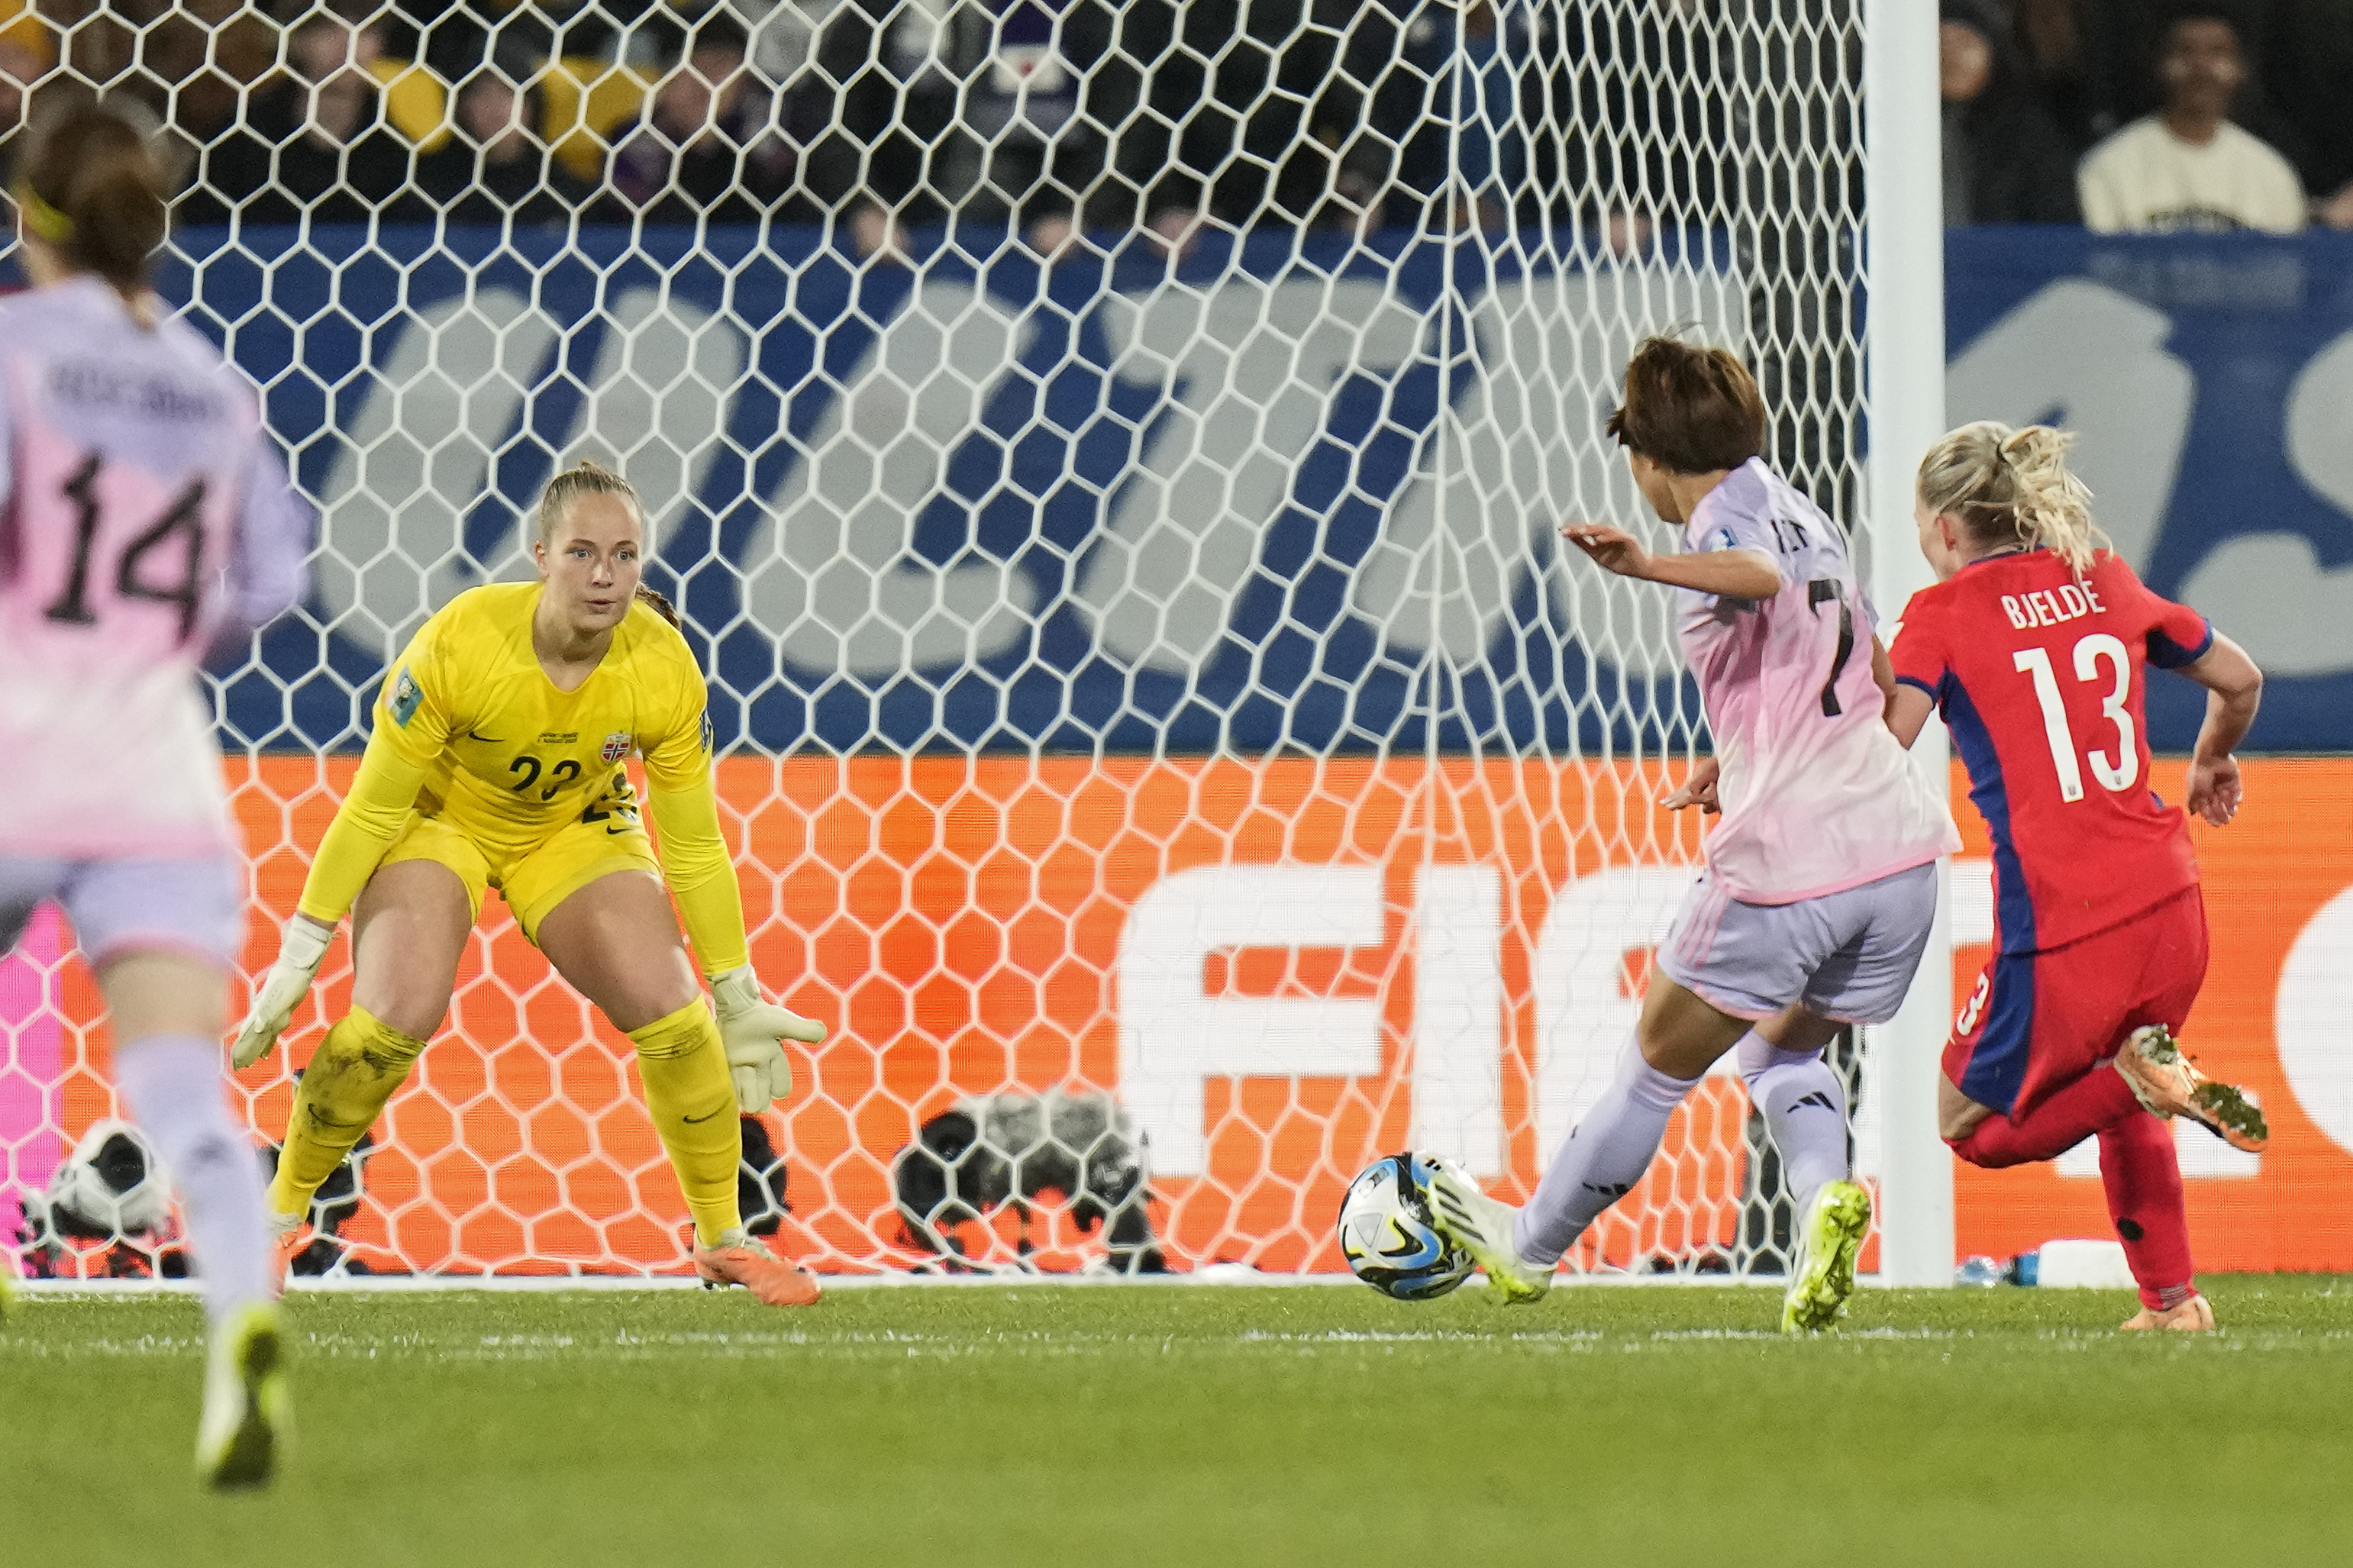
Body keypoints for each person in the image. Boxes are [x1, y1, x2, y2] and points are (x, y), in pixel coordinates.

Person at [1425, 338, 1961, 1333]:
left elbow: (1752, 576)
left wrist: (1645, 563)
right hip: (1899, 856)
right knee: (1778, 1057)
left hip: (1786, 869)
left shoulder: (1724, 525)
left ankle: (1525, 1248)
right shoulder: (1804, 511)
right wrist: (1758, 752)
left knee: (1651, 1068)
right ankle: (1822, 1214)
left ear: (1648, 455)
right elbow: (1875, 675)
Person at [233, 460, 828, 1308]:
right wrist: (302, 950)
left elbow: (693, 847)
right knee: (391, 1017)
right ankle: (275, 1222)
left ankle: (722, 1239)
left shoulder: (664, 667)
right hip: (442, 816)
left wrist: (736, 992)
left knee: (679, 1016)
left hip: (572, 827)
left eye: (624, 555)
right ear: (540, 552)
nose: (604, 575)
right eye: (583, 552)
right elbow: (371, 811)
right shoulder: (463, 640)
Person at [0, 98, 312, 1485]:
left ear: (31, 216)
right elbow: (274, 583)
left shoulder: (11, 357)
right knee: (182, 1083)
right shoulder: (211, 387)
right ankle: (243, 1319)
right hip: (154, 769)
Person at [1889, 421, 2266, 1332]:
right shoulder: (2099, 574)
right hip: (2172, 904)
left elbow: (1877, 746)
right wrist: (2211, 757)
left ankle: (2137, 1079)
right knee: (2130, 1065)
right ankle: (2172, 1303)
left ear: (1944, 529)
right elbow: (2240, 677)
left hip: (2064, 926)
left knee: (1966, 1125)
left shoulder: (1935, 616)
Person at [2077, 11, 2304, 233]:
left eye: (2218, 52)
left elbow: (2284, 266)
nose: (2201, 67)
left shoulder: (2272, 174)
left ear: (2240, 69)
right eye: (2185, 51)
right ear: (2161, 65)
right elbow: (2097, 264)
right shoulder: (2107, 168)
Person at [1940, 0, 2081, 224]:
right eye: (1941, 46)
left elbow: (2057, 221)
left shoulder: (2029, 132)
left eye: (1965, 45)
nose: (1952, 58)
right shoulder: (1903, 132)